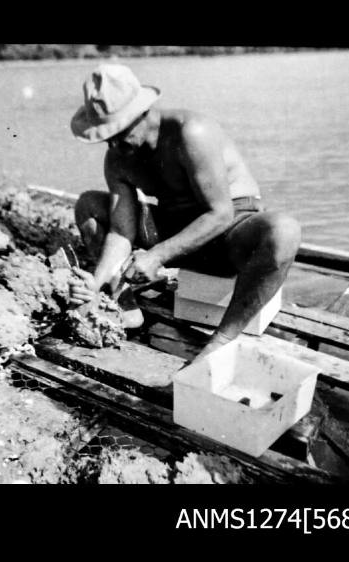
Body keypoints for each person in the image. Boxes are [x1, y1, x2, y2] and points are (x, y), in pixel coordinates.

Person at [69, 63, 301, 361]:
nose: (113, 144)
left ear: (143, 112)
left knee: (283, 230)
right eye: (106, 136)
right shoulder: (118, 157)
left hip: (230, 230)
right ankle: (121, 304)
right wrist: (97, 280)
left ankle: (223, 338)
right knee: (89, 205)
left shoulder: (191, 133)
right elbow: (120, 230)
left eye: (119, 131)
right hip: (178, 230)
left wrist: (157, 256)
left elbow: (220, 214)